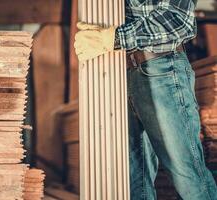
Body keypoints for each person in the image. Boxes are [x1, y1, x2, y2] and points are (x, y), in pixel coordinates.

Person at [74, 0, 217, 199]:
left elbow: (177, 20)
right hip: (120, 72)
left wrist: (112, 38)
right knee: (134, 181)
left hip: (163, 69)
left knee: (187, 176)